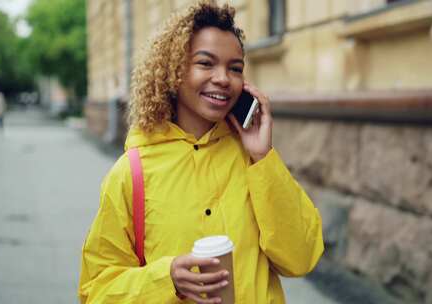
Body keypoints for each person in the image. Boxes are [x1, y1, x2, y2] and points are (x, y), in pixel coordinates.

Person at [78, 1, 324, 303]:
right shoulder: (131, 173)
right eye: (206, 63)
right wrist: (166, 280)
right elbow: (96, 290)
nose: (223, 78)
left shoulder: (254, 161)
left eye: (235, 68)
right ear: (174, 72)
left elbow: (301, 258)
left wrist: (263, 157)